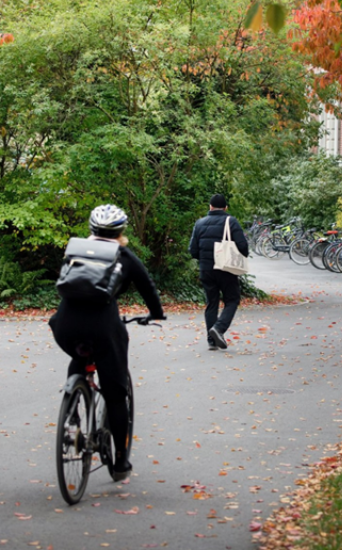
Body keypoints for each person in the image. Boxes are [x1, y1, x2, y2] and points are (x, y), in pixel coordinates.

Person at [49, 204, 166, 481]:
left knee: (79, 355)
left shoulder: (75, 249)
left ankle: (72, 419)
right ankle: (121, 462)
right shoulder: (123, 255)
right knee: (115, 394)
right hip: (103, 329)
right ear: (121, 231)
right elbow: (147, 286)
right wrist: (156, 313)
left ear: (91, 228)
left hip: (65, 326)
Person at [188, 194, 249, 351]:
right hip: (226, 268)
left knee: (211, 303)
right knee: (232, 299)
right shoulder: (231, 222)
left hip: (206, 269)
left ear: (210, 206)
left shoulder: (199, 223)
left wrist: (204, 259)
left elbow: (192, 250)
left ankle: (211, 341)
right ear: (225, 208)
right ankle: (219, 329)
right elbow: (243, 246)